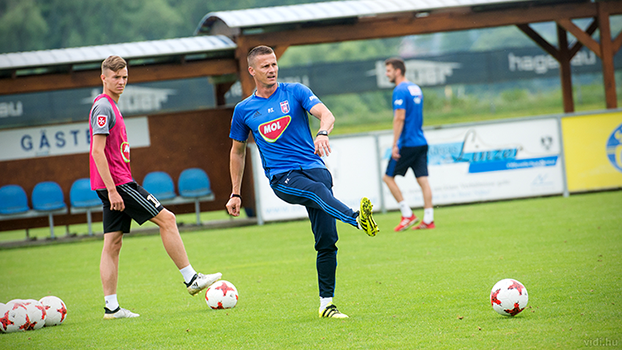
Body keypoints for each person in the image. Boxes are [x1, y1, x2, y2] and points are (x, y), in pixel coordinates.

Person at [225, 45, 379, 319]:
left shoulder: (295, 91)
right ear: (252, 71)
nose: (272, 69)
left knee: (327, 241)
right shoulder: (244, 109)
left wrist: (322, 133)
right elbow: (237, 152)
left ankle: (326, 304)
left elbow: (327, 114)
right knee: (318, 192)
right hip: (283, 177)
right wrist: (235, 193)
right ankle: (356, 218)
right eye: (265, 66)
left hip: (316, 168)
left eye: (274, 64)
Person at [89, 55, 221, 320]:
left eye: (125, 77)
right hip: (119, 184)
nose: (121, 82)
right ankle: (191, 278)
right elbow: (97, 151)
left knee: (112, 243)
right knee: (168, 219)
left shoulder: (110, 106)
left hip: (114, 183)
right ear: (103, 78)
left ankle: (111, 308)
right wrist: (114, 190)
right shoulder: (103, 107)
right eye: (116, 77)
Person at [383, 57, 435, 232]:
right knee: (423, 180)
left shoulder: (400, 90)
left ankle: (407, 214)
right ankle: (429, 218)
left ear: (398, 71)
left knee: (388, 177)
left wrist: (395, 144)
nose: (386, 74)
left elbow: (400, 117)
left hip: (407, 143)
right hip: (421, 140)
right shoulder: (415, 88)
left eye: (389, 70)